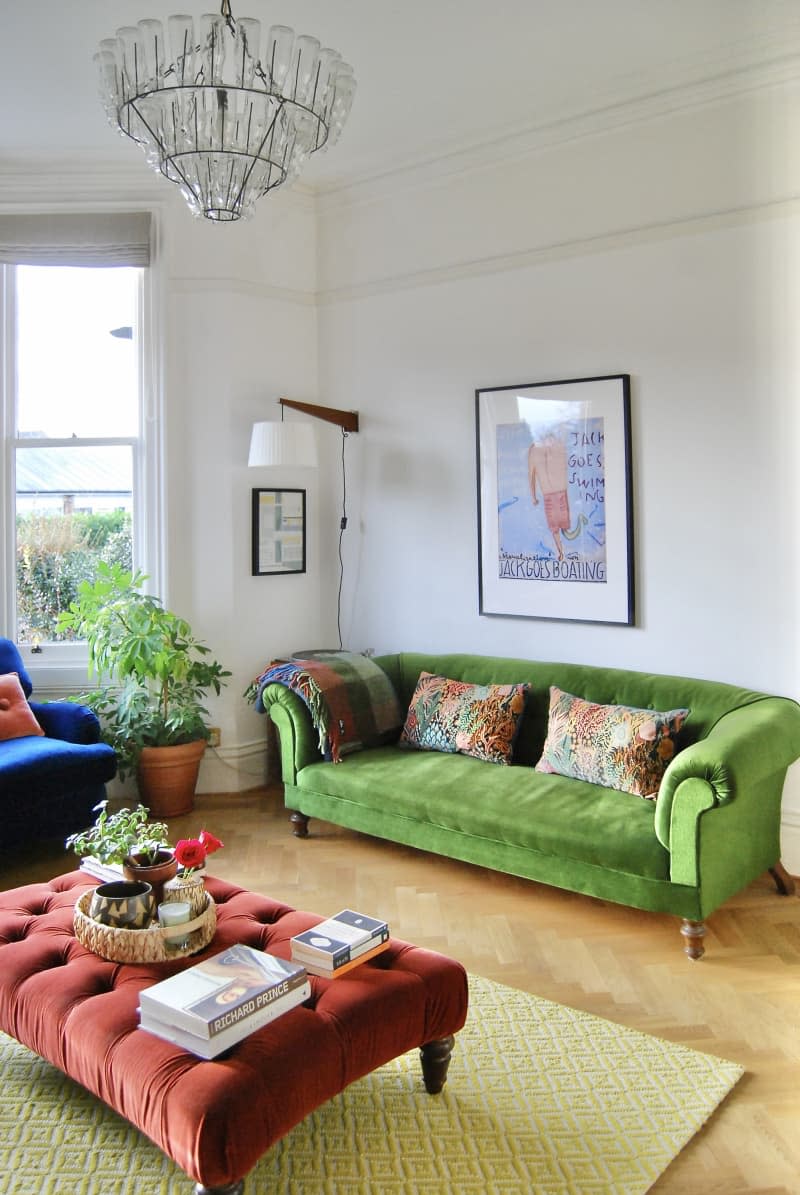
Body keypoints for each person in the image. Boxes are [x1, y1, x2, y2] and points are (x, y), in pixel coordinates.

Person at [527, 434, 570, 561]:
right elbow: (531, 476)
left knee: (558, 529)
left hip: (554, 493)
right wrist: (533, 497)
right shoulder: (556, 443)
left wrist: (534, 497)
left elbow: (531, 476)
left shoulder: (535, 449)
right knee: (559, 529)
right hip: (557, 492)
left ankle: (562, 552)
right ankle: (562, 552)